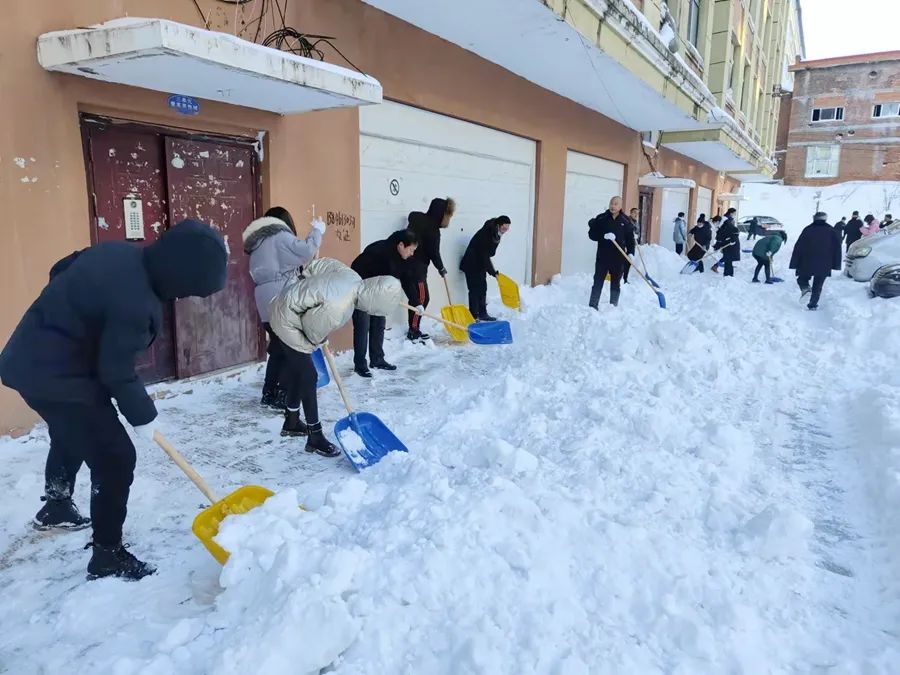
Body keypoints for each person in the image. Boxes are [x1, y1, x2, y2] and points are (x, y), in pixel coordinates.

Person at [0, 220, 228, 580]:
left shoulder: (115, 250)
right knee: (116, 457)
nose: (185, 298)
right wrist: (144, 417)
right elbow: (117, 371)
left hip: (26, 360)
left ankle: (57, 504)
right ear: (179, 275)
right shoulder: (137, 303)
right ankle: (108, 555)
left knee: (72, 428)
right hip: (58, 375)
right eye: (190, 290)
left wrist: (70, 321)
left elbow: (60, 269)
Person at [269, 258, 406, 453]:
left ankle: (291, 422)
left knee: (300, 370)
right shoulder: (340, 308)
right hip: (287, 320)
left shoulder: (353, 277)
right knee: (309, 376)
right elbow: (310, 330)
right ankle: (314, 436)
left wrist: (306, 276)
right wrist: (320, 336)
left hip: (287, 298)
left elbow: (323, 264)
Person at [242, 206, 324, 410]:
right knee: (290, 349)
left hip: (264, 300)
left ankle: (269, 392)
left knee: (278, 348)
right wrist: (317, 231)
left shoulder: (258, 243)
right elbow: (306, 251)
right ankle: (283, 393)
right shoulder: (280, 236)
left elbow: (282, 266)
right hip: (281, 299)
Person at [350, 229, 419, 377]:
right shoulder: (380, 252)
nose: (412, 253)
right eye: (411, 250)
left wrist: (416, 303)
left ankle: (377, 359)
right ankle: (360, 365)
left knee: (379, 324)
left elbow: (407, 280)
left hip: (379, 292)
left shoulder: (403, 259)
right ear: (401, 245)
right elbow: (358, 269)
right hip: (361, 289)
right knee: (363, 326)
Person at [405, 197, 455, 342]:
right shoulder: (433, 231)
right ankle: (413, 331)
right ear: (441, 214)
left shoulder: (417, 218)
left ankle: (414, 328)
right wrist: (441, 268)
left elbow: (411, 216)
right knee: (421, 299)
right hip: (417, 268)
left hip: (408, 263)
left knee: (417, 298)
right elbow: (434, 253)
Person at [459, 215, 511, 320]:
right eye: (504, 228)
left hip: (480, 264)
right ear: (498, 225)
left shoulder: (495, 234)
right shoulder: (486, 234)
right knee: (474, 289)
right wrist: (493, 272)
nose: (505, 231)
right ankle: (473, 315)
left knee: (483, 288)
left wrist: (497, 239)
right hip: (471, 263)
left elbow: (491, 253)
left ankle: (482, 313)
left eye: (507, 229)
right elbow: (485, 255)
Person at [790, 212, 842, 310]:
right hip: (825, 263)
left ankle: (805, 288)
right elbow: (837, 248)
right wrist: (836, 264)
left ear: (814, 218)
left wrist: (795, 262)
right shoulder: (832, 231)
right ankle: (812, 305)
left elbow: (798, 247)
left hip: (807, 261)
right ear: (825, 219)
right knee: (818, 285)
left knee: (802, 279)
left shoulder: (808, 230)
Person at [588, 195, 631, 308]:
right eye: (611, 203)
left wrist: (631, 253)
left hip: (618, 258)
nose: (613, 206)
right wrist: (601, 234)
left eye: (616, 204)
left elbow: (630, 239)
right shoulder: (601, 218)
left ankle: (613, 306)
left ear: (621, 206)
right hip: (603, 257)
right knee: (598, 281)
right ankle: (593, 305)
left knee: (615, 283)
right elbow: (592, 235)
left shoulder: (626, 221)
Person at [712, 209, 741, 277]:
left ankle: (728, 275)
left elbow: (736, 231)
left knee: (728, 259)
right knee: (728, 260)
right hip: (727, 244)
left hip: (732, 244)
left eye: (715, 223)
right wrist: (716, 247)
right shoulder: (721, 226)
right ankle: (727, 275)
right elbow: (719, 238)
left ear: (718, 221)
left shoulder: (726, 224)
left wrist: (732, 240)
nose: (715, 224)